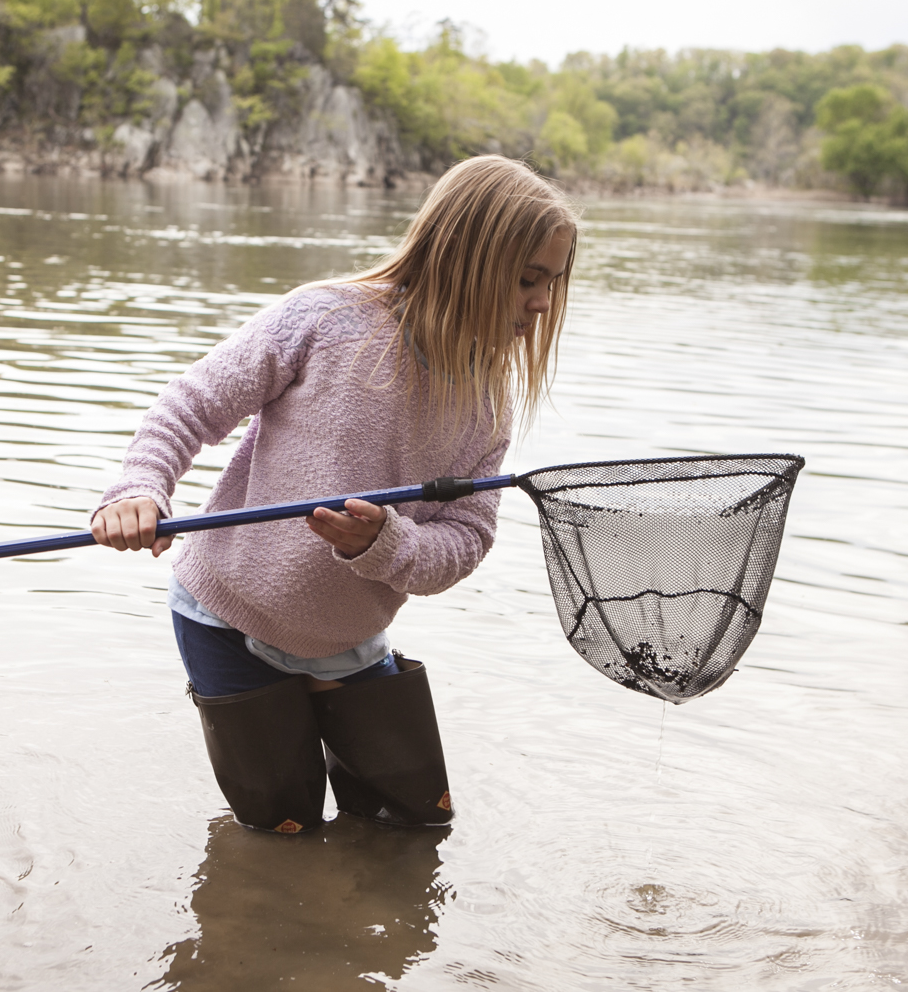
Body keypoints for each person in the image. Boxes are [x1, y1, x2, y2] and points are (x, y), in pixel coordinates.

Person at [91, 155, 577, 833]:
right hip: (225, 615)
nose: (543, 302)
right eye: (527, 280)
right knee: (282, 833)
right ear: (465, 259)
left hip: (349, 637)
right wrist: (140, 487)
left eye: (552, 284)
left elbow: (466, 540)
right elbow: (191, 404)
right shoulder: (324, 320)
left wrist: (388, 544)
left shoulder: (488, 407)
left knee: (415, 824)